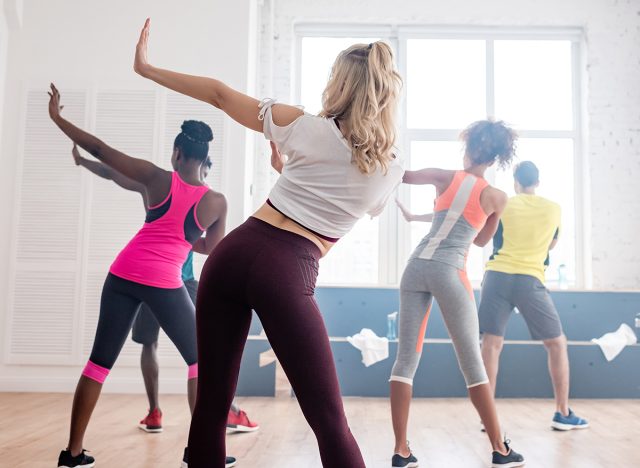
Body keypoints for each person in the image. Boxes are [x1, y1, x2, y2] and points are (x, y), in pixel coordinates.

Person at [134, 18, 404, 468]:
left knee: (212, 405)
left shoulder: (300, 126)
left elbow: (220, 95)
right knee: (328, 419)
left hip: (234, 253)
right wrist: (292, 173)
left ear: (339, 85)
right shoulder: (389, 170)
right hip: (288, 269)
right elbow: (329, 217)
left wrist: (148, 69)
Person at [48, 85, 236, 468]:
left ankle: (72, 453)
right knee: (200, 361)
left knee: (98, 363)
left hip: (122, 272)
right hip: (165, 281)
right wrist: (185, 239)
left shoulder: (155, 178)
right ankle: (201, 452)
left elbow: (104, 152)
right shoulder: (215, 202)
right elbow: (210, 250)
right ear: (205, 159)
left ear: (177, 153)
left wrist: (58, 119)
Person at [72, 147, 258, 436]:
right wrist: (84, 161)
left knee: (199, 356)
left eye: (206, 173)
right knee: (158, 346)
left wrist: (183, 236)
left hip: (181, 282)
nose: (201, 177)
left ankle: (226, 414)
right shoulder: (161, 187)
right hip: (153, 278)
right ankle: (155, 412)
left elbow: (205, 245)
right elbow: (114, 173)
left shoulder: (204, 199)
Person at [390, 120, 525, 468]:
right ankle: (501, 449)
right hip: (450, 272)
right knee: (472, 364)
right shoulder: (497, 197)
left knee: (405, 360)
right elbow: (481, 241)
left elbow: (400, 175)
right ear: (495, 157)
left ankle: (401, 450)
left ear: (470, 149)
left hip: (415, 267)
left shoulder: (443, 176)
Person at [479, 161, 588, 431]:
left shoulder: (505, 202)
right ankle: (562, 413)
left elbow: (491, 235)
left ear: (516, 182)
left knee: (491, 344)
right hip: (529, 279)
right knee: (557, 343)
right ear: (537, 182)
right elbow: (552, 243)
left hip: (496, 277)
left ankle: (487, 417)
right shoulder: (554, 208)